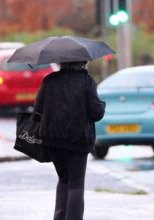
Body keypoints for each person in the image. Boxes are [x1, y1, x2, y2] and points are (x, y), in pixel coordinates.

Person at [34, 61, 106, 220]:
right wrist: (102, 106)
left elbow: (38, 108)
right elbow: (96, 113)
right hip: (78, 140)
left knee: (63, 180)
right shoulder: (86, 82)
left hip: (52, 140)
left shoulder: (50, 80)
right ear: (82, 62)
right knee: (76, 183)